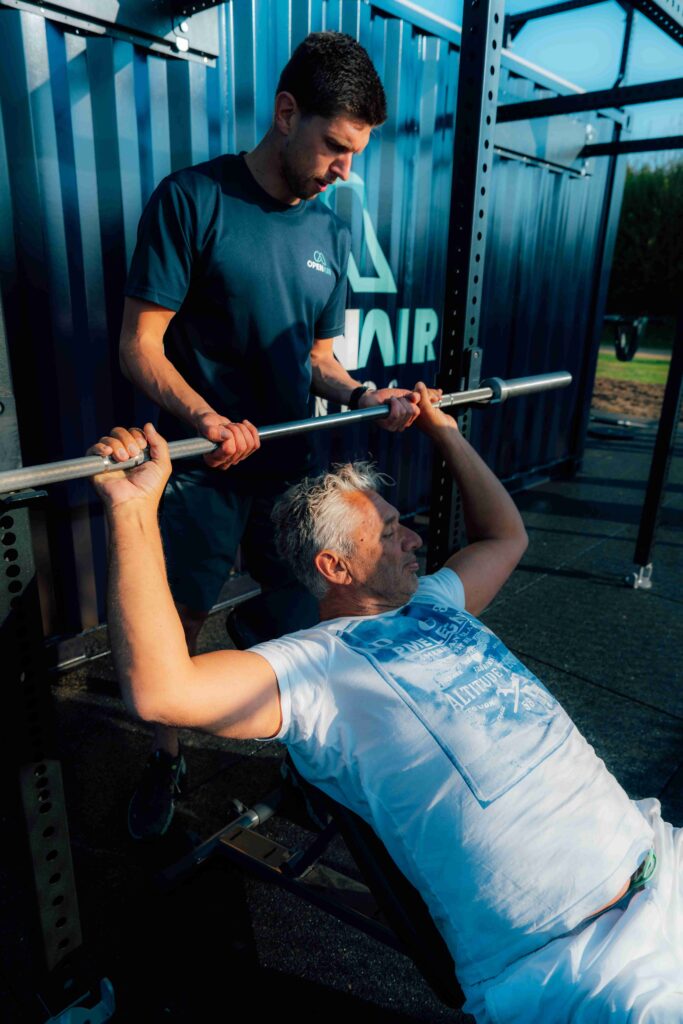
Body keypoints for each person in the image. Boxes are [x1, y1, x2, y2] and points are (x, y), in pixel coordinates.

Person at [91, 385, 682, 1023]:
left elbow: (506, 537)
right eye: (392, 532)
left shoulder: (434, 599)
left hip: (658, 857)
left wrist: (441, 429)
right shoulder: (312, 667)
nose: (414, 539)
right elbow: (161, 690)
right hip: (580, 961)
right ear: (336, 567)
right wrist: (133, 508)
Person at [120, 31, 429, 838]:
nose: (344, 169)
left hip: (290, 471)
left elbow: (318, 359)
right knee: (179, 622)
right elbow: (140, 346)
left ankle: (306, 764)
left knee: (309, 613)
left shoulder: (330, 231)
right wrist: (204, 418)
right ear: (286, 113)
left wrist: (363, 393)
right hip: (201, 467)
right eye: (335, 146)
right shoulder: (192, 199)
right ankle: (165, 757)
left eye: (355, 153)